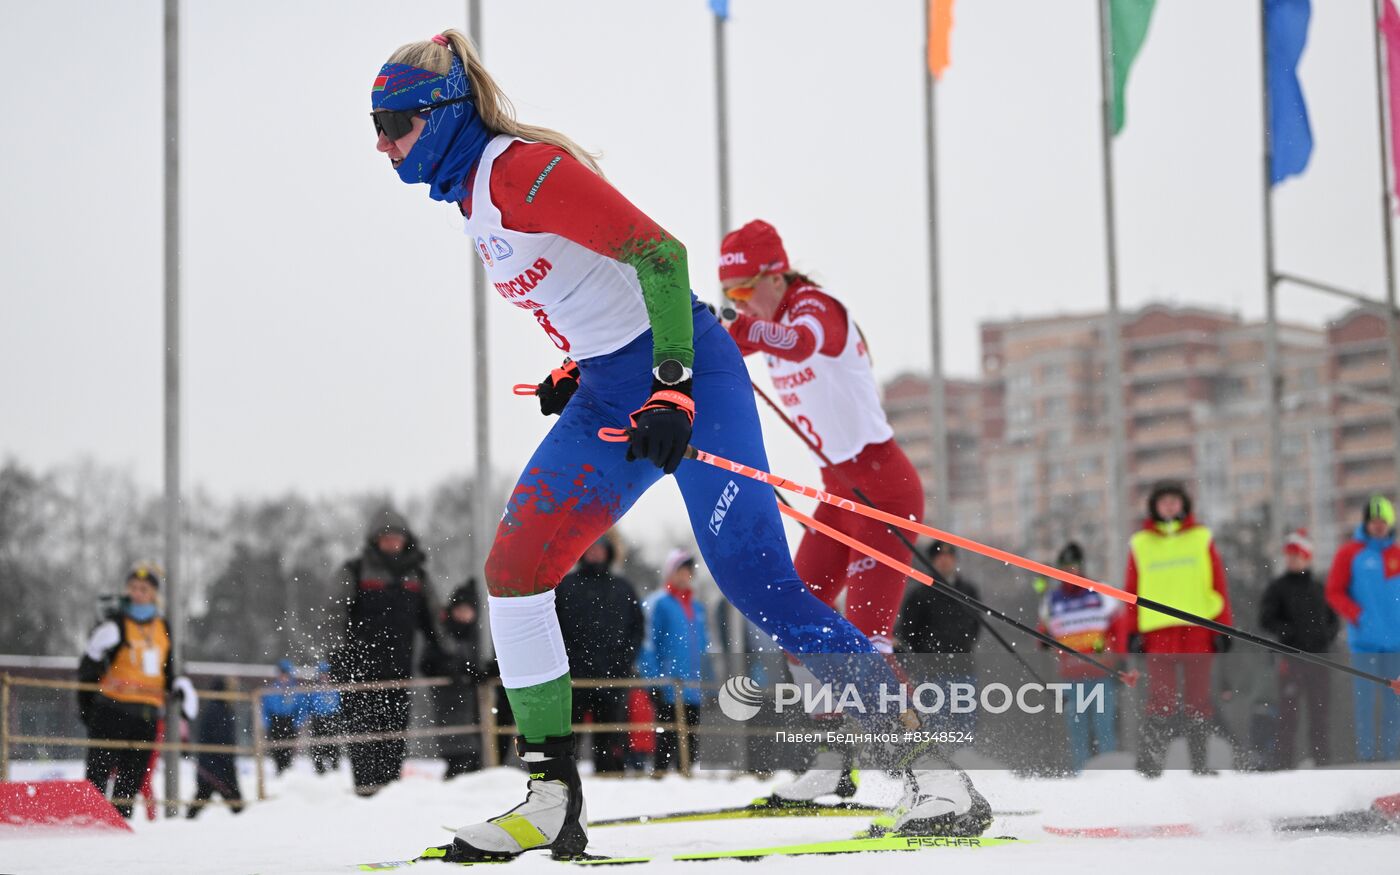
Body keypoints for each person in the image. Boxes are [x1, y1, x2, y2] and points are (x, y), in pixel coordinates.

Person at [368, 30, 990, 861]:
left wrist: (668, 380)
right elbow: (593, 290)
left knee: (759, 583)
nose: (383, 142)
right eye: (375, 124)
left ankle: (931, 770)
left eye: (396, 120)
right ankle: (550, 796)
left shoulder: (522, 171)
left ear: (444, 115)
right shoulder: (475, 196)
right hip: (608, 394)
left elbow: (662, 257)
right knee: (514, 572)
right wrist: (573, 366)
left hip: (691, 377)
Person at [718, 220, 925, 801]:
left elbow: (805, 342)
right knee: (798, 623)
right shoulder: (768, 320)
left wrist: (746, 328)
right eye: (730, 293)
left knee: (866, 640)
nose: (739, 301)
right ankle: (835, 762)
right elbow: (731, 346)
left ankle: (924, 774)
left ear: (775, 273)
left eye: (743, 289)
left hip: (882, 491)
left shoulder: (816, 307)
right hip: (835, 497)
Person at [329, 507, 441, 796]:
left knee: (394, 737)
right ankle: (366, 794)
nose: (392, 543)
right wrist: (338, 656)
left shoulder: (418, 576)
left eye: (397, 537)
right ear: (374, 540)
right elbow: (333, 616)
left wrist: (447, 657)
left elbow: (434, 623)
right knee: (363, 739)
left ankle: (390, 795)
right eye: (386, 537)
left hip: (399, 672)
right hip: (360, 674)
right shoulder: (354, 571)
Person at [1123, 482, 1232, 777]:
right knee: (1161, 700)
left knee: (1199, 699)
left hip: (1198, 630)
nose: (1170, 506)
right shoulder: (1140, 543)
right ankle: (1149, 766)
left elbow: (1217, 585)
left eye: (1175, 501)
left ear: (1183, 505)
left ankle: (1200, 765)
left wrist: (1223, 628)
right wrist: (1130, 632)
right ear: (1155, 507)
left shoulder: (1201, 537)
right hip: (1157, 633)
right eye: (1164, 501)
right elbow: (1130, 591)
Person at [77, 563, 197, 818]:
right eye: (132, 587)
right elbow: (88, 669)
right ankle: (89, 825)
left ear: (154, 593)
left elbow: (169, 669)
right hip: (111, 709)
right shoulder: (116, 623)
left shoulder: (162, 627)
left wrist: (179, 685)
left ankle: (119, 827)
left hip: (146, 716)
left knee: (130, 783)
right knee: (97, 778)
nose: (137, 593)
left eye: (143, 588)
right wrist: (87, 705)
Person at [554, 537, 643, 775]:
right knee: (567, 738)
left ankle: (612, 779)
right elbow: (554, 628)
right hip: (574, 679)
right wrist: (568, 662)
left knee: (611, 742)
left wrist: (623, 663)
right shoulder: (566, 586)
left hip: (612, 678)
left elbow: (636, 630)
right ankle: (563, 780)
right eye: (589, 548)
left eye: (600, 548)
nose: (595, 553)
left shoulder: (623, 587)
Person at [1326, 496, 1400, 763]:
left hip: (1396, 644)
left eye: (1383, 521)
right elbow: (1334, 591)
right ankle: (1366, 758)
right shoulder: (1350, 553)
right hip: (1364, 643)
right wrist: (1358, 615)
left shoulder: (1396, 554)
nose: (1379, 526)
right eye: (1374, 521)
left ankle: (1393, 757)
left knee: (1395, 704)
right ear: (1366, 523)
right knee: (1365, 705)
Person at [1038, 543, 1123, 773]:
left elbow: (1118, 630)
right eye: (1065, 567)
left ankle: (1111, 776)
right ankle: (1080, 776)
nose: (1070, 572)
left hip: (1100, 674)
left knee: (1104, 728)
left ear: (1082, 566)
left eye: (1074, 566)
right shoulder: (1052, 600)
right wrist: (1044, 640)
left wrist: (1113, 656)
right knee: (1078, 732)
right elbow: (1042, 636)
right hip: (1071, 678)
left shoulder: (1100, 593)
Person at [1259, 529, 1338, 767]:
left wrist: (1326, 636)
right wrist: (1286, 631)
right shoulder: (1278, 587)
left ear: (1307, 557)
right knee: (1288, 713)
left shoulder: (1318, 587)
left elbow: (1333, 620)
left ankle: (1322, 760)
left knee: (1320, 713)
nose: (1292, 560)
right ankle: (1284, 762)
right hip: (1290, 659)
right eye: (1289, 555)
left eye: (1297, 555)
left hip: (1319, 659)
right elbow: (1266, 619)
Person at [638, 549, 709, 773]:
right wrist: (654, 680)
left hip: (693, 687)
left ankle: (685, 781)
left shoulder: (697, 607)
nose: (685, 575)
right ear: (671, 572)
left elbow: (704, 648)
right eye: (681, 570)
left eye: (689, 570)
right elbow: (647, 644)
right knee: (666, 740)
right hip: (669, 685)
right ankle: (660, 780)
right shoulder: (658, 603)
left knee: (690, 743)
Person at [425, 580, 487, 779]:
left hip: (473, 705)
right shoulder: (441, 635)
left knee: (474, 751)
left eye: (468, 610)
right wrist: (450, 670)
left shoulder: (478, 637)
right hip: (449, 703)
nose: (464, 615)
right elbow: (427, 663)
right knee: (455, 751)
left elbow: (481, 666)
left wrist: (478, 673)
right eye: (460, 609)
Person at [187, 677, 245, 818]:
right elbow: (222, 739)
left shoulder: (218, 709)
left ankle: (188, 819)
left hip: (215, 762)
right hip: (217, 763)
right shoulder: (218, 711)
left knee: (204, 794)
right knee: (233, 798)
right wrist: (227, 759)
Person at [263, 659, 307, 775]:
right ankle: (279, 771)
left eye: (286, 673)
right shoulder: (271, 689)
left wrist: (297, 722)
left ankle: (287, 772)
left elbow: (301, 708)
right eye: (282, 673)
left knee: (289, 749)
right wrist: (267, 723)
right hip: (275, 722)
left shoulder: (295, 690)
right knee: (276, 750)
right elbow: (265, 708)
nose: (284, 677)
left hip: (289, 722)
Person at [306, 662, 343, 774]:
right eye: (322, 674)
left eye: (326, 674)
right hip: (318, 720)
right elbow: (309, 706)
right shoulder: (313, 690)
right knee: (317, 747)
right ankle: (320, 772)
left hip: (332, 719)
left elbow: (339, 704)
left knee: (333, 746)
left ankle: (335, 771)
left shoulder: (335, 688)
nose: (324, 677)